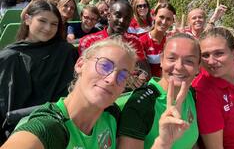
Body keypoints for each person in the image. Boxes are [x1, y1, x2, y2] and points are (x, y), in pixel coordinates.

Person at [1, 38, 191, 149]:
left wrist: (163, 142)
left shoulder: (112, 116)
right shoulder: (49, 128)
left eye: (123, 75)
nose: (111, 79)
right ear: (80, 65)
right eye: (105, 65)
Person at [0, 0, 78, 144]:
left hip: (61, 125)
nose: (48, 28)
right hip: (19, 131)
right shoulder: (9, 58)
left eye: (54, 24)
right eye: (42, 21)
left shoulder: (66, 52)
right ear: (27, 19)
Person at [118, 33, 200, 149]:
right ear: (161, 60)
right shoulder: (142, 104)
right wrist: (163, 143)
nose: (179, 66)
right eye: (172, 58)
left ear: (198, 67)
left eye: (189, 61)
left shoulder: (191, 94)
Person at [79, 0, 151, 83]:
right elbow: (87, 75)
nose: (122, 21)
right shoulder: (89, 41)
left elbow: (145, 71)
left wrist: (142, 78)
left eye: (127, 18)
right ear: (109, 16)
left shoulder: (134, 41)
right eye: (118, 15)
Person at [139, 3, 176, 77]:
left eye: (168, 19)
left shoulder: (172, 41)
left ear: (172, 21)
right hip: (150, 86)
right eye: (161, 17)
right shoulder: (141, 42)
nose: (164, 22)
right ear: (154, 16)